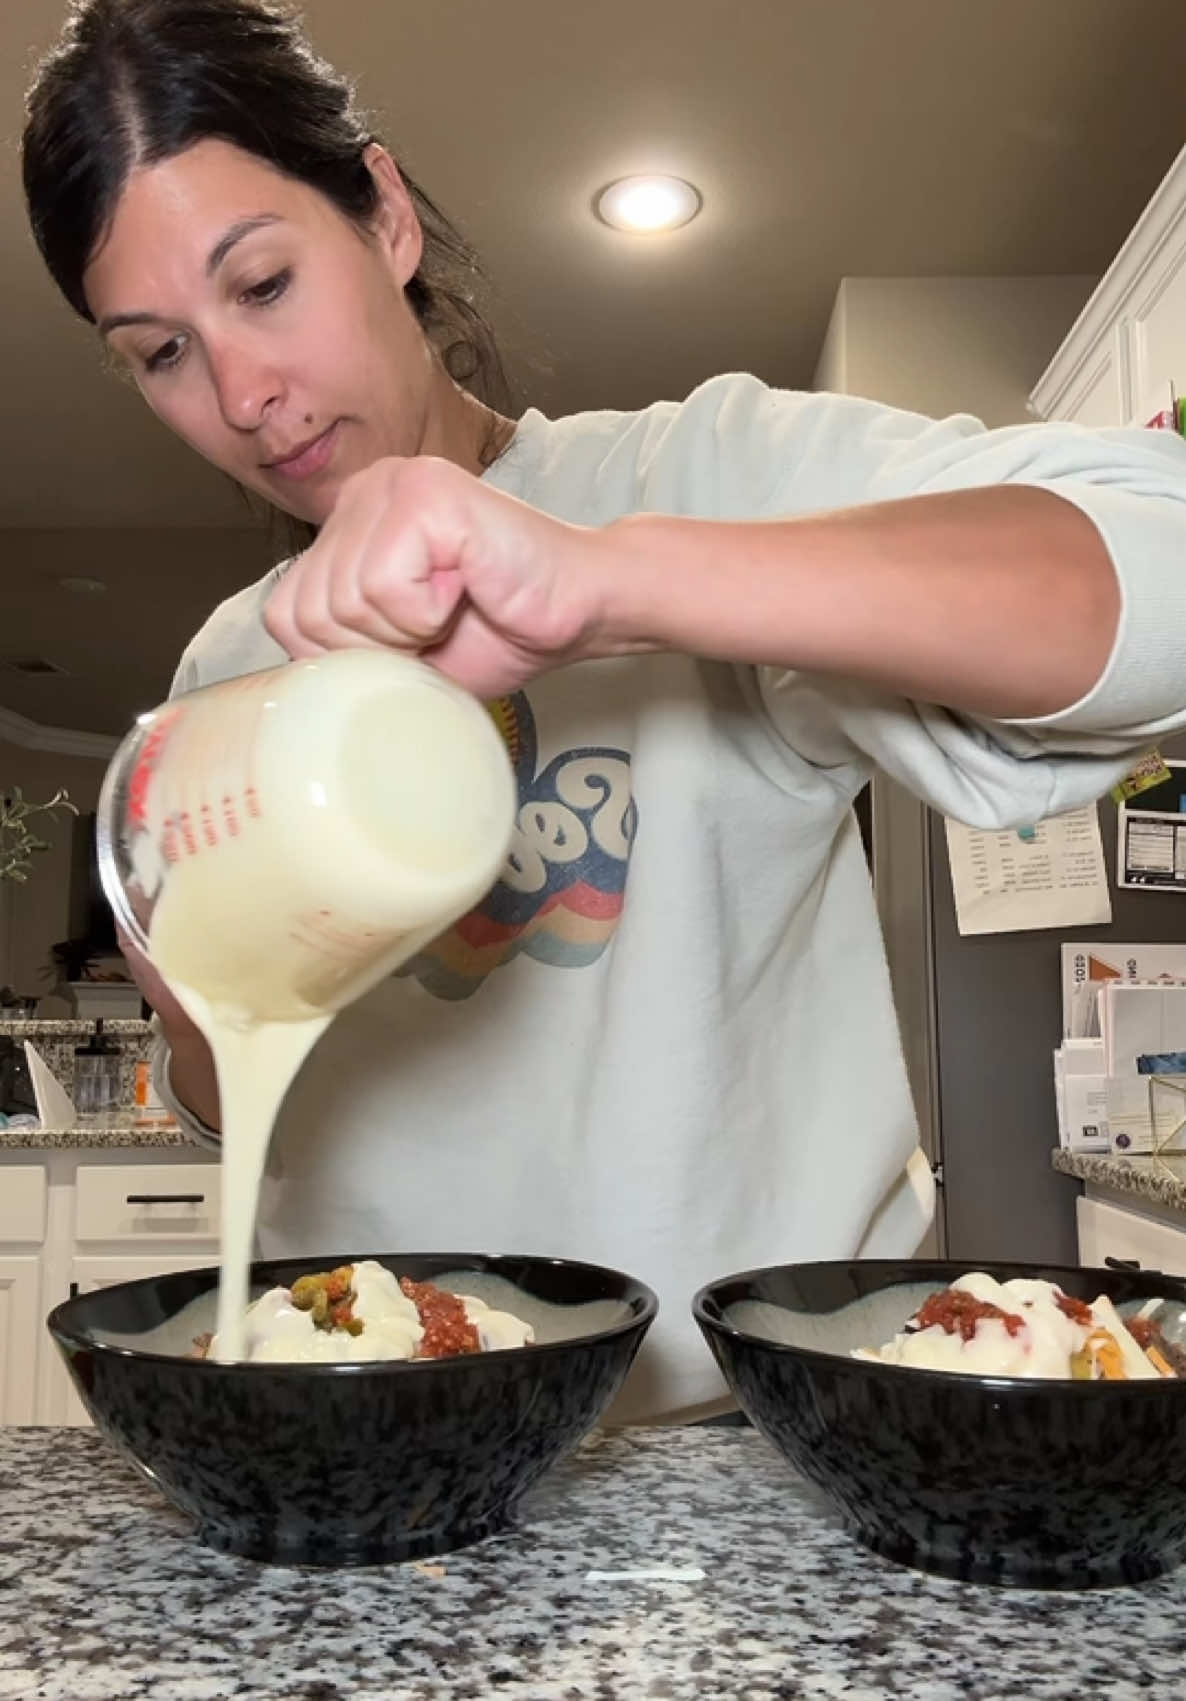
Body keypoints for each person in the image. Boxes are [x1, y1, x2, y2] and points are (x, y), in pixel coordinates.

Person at [22, 0, 1186, 1422]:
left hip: (744, 1438)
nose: (246, 394)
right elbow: (235, 1095)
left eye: (261, 283)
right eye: (160, 353)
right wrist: (179, 968)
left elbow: (1163, 562)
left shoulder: (691, 477)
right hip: (370, 1429)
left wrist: (610, 581)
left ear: (382, 217)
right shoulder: (227, 671)